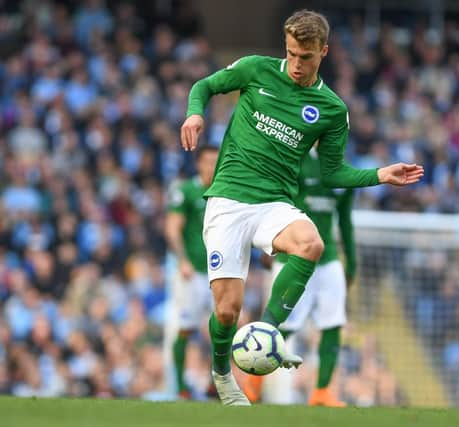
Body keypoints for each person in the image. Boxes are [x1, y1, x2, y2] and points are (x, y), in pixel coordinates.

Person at [180, 10, 424, 406]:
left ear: (323, 52)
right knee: (227, 311)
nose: (296, 64)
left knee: (312, 243)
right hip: (227, 200)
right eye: (291, 53)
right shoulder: (256, 70)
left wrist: (380, 174)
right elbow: (205, 86)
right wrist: (194, 112)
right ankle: (223, 375)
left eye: (305, 57)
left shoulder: (330, 109)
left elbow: (332, 173)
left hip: (274, 203)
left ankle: (268, 332)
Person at [244, 148, 356, 406]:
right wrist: (268, 241)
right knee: (283, 325)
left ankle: (322, 391)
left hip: (328, 260)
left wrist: (352, 263)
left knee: (333, 323)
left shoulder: (344, 172)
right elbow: (272, 203)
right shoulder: (294, 162)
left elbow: (346, 221)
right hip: (293, 257)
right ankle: (254, 382)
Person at [164, 145, 219, 399]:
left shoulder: (226, 193)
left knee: (223, 328)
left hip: (220, 273)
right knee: (186, 328)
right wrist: (182, 260)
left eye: (215, 162)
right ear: (198, 163)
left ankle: (214, 382)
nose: (211, 166)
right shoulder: (186, 191)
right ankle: (181, 387)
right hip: (193, 272)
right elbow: (173, 228)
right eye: (207, 161)